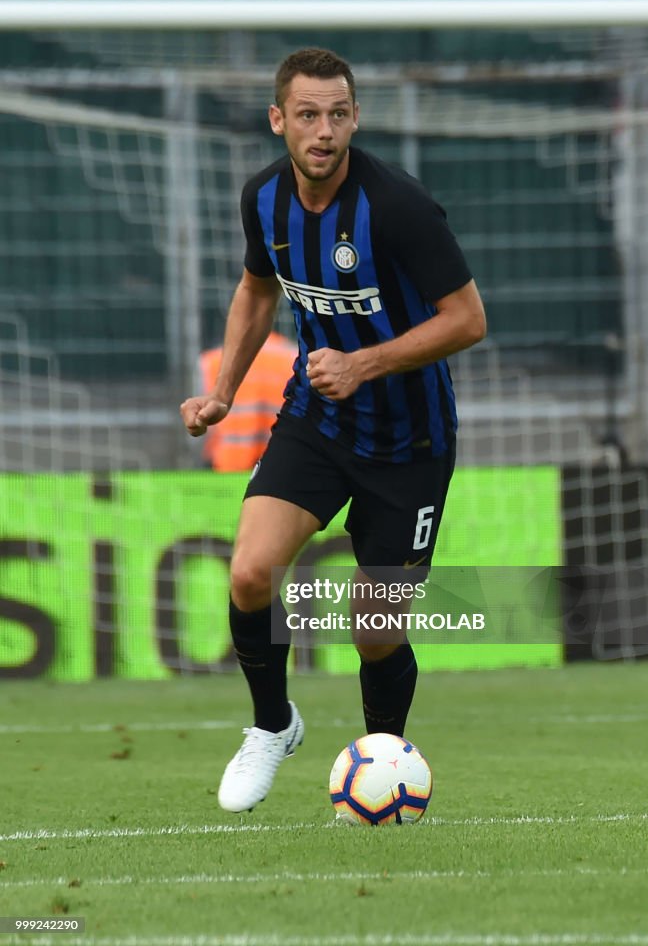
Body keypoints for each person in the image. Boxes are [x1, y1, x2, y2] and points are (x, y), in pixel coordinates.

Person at [179, 47, 486, 813]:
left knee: (373, 630)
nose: (323, 131)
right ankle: (271, 725)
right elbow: (256, 291)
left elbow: (468, 320)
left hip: (410, 442)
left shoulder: (398, 208)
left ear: (356, 117)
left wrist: (365, 364)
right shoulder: (264, 199)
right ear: (278, 119)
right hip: (316, 422)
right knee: (250, 573)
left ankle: (383, 759)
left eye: (338, 114)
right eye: (308, 115)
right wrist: (221, 393)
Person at [199, 330, 298, 472]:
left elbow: (201, 421)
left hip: (230, 463)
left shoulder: (213, 360)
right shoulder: (293, 356)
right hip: (280, 462)